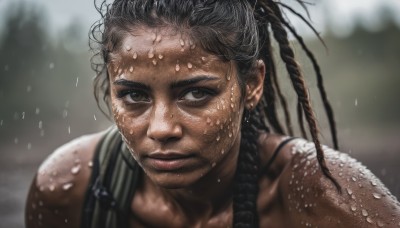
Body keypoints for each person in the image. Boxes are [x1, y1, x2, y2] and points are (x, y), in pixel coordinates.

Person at [25, 0, 400, 227]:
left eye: (195, 93)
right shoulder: (69, 192)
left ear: (251, 84)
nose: (161, 128)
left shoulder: (327, 203)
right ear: (111, 90)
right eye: (134, 95)